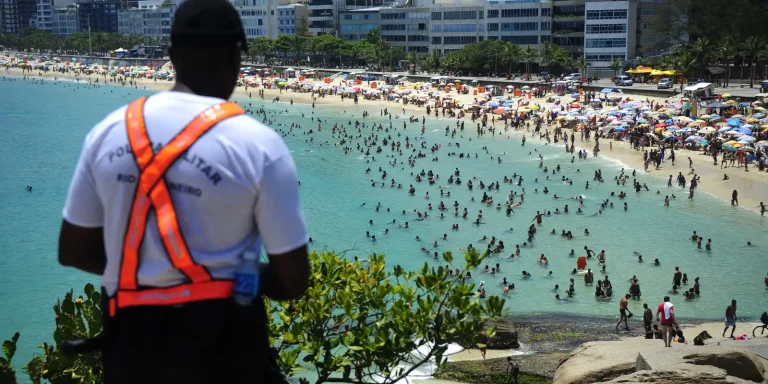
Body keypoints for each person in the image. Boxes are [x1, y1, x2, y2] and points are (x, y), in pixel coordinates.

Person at [56, 1, 310, 382]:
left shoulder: (107, 133)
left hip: (131, 358)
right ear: (236, 56)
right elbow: (292, 281)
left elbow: (73, 251)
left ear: (171, 55)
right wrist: (228, 272)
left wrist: (153, 271)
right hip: (227, 356)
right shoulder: (258, 145)